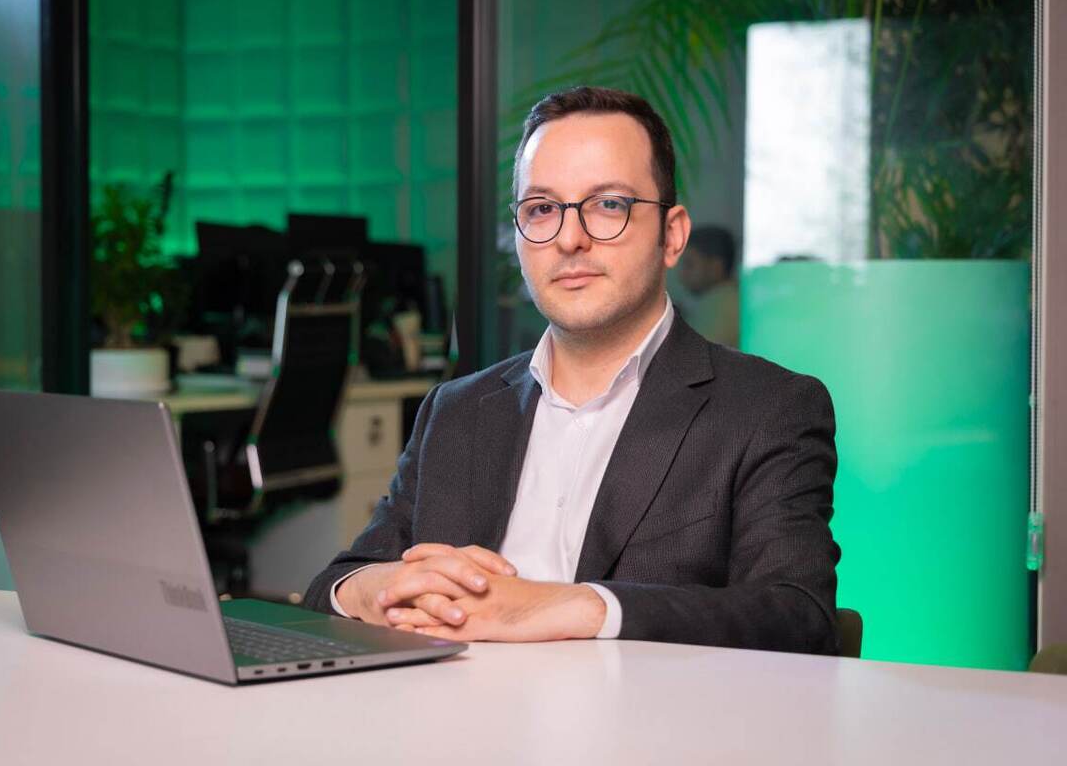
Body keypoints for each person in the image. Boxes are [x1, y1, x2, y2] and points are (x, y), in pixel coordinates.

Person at [303, 86, 840, 654]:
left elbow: (798, 616)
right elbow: (336, 583)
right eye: (542, 209)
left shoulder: (766, 409)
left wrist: (572, 606)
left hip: (643, 711)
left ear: (672, 235)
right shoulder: (455, 410)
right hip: (449, 708)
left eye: (609, 205)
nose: (569, 239)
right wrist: (373, 589)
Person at [678, 225, 740, 348]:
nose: (682, 273)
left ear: (715, 268)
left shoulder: (720, 305)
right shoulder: (724, 297)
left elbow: (694, 355)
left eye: (690, 265)